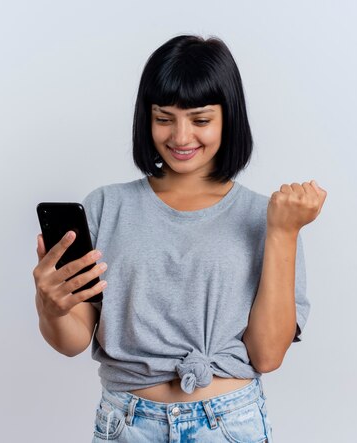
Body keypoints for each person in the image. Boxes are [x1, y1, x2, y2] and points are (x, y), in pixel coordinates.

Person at [33, 34, 327, 442]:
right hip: (128, 425)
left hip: (228, 424)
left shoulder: (267, 216)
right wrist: (51, 306)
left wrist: (283, 232)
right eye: (164, 117)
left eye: (200, 119)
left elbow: (267, 354)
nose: (181, 136)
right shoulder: (105, 207)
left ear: (229, 118)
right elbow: (73, 340)